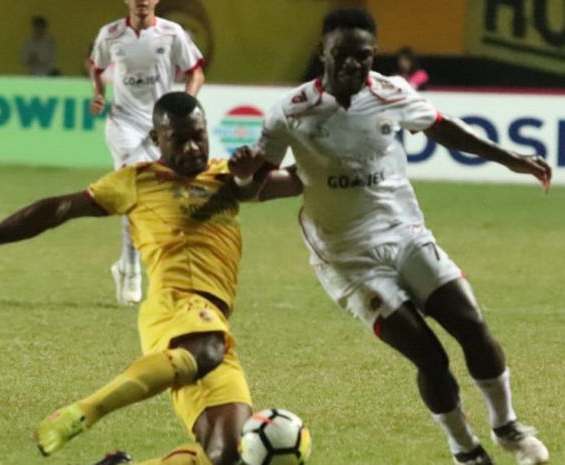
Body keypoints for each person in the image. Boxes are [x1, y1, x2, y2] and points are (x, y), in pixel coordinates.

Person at [234, 8, 551, 465]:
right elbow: (256, 186)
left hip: (405, 235)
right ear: (322, 51)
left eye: (363, 56)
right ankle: (465, 450)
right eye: (341, 54)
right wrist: (245, 179)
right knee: (431, 357)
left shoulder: (390, 92)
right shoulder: (289, 114)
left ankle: (508, 427)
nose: (352, 65)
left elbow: (441, 127)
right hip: (347, 257)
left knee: (473, 325)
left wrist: (508, 158)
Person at [0, 92, 296, 465]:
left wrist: (270, 164)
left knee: (230, 456)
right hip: (176, 306)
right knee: (207, 350)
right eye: (179, 139)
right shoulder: (137, 181)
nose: (191, 147)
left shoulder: (226, 177)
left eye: (198, 136)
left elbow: (302, 181)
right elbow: (57, 209)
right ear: (157, 140)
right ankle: (83, 413)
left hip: (213, 319)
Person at [89, 0, 205, 306]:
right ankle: (132, 269)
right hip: (123, 122)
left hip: (161, 125)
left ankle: (132, 263)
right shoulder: (110, 35)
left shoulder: (172, 33)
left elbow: (196, 72)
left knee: (164, 193)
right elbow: (96, 66)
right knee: (137, 186)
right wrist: (99, 94)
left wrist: (183, 104)